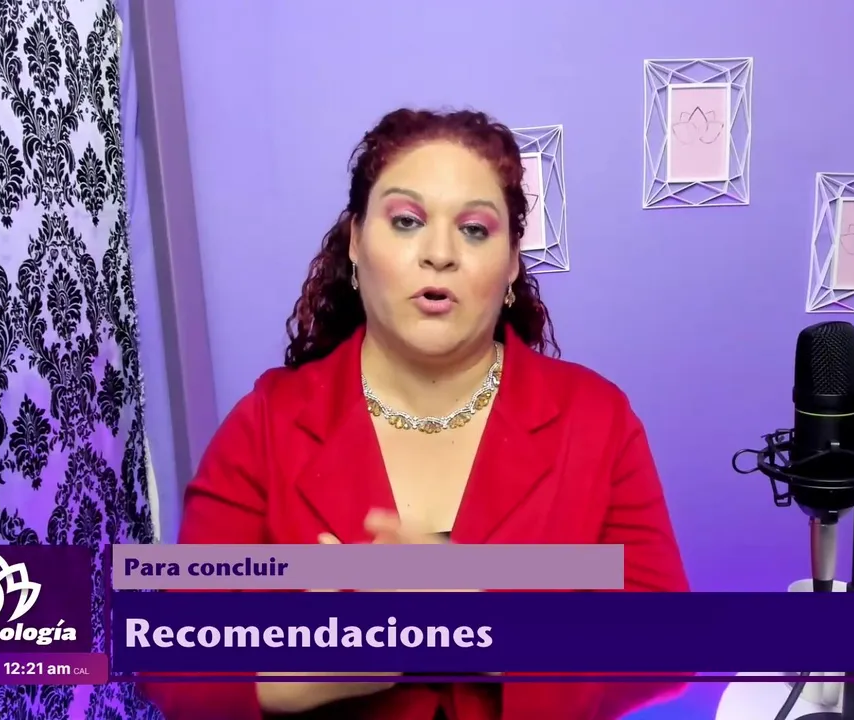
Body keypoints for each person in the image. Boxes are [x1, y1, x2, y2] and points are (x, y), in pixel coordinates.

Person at [140, 108, 690, 719]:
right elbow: (172, 662)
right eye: (406, 221)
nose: (439, 253)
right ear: (356, 241)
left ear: (511, 263)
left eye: (475, 229)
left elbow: (669, 642)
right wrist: (320, 663)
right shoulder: (266, 424)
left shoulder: (596, 419)